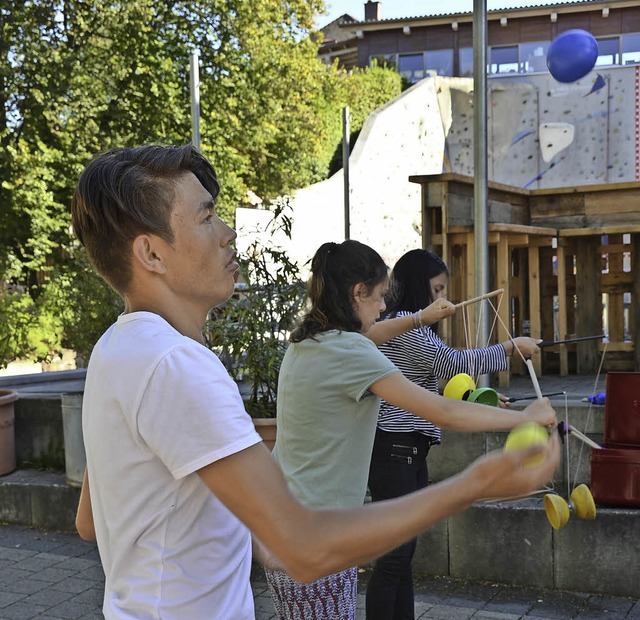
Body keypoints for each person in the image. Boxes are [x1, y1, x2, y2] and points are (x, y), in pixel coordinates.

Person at [72, 144, 559, 620]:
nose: (227, 233)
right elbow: (302, 546)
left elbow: (91, 522)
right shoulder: (178, 366)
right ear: (151, 253)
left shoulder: (116, 351)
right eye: (206, 218)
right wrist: (477, 482)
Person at [264, 240, 557, 620]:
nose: (385, 307)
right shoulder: (352, 353)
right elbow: (441, 411)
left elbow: (377, 334)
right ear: (358, 292)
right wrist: (525, 418)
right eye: (381, 297)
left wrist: (420, 318)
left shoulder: (310, 342)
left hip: (287, 521)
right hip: (317, 530)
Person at [365, 248, 543, 620]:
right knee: (394, 556)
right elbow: (452, 364)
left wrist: (481, 398)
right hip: (394, 450)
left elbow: (433, 383)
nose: (443, 298)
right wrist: (510, 348)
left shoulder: (412, 329)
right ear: (418, 287)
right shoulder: (404, 326)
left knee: (403, 554)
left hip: (409, 449)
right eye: (437, 289)